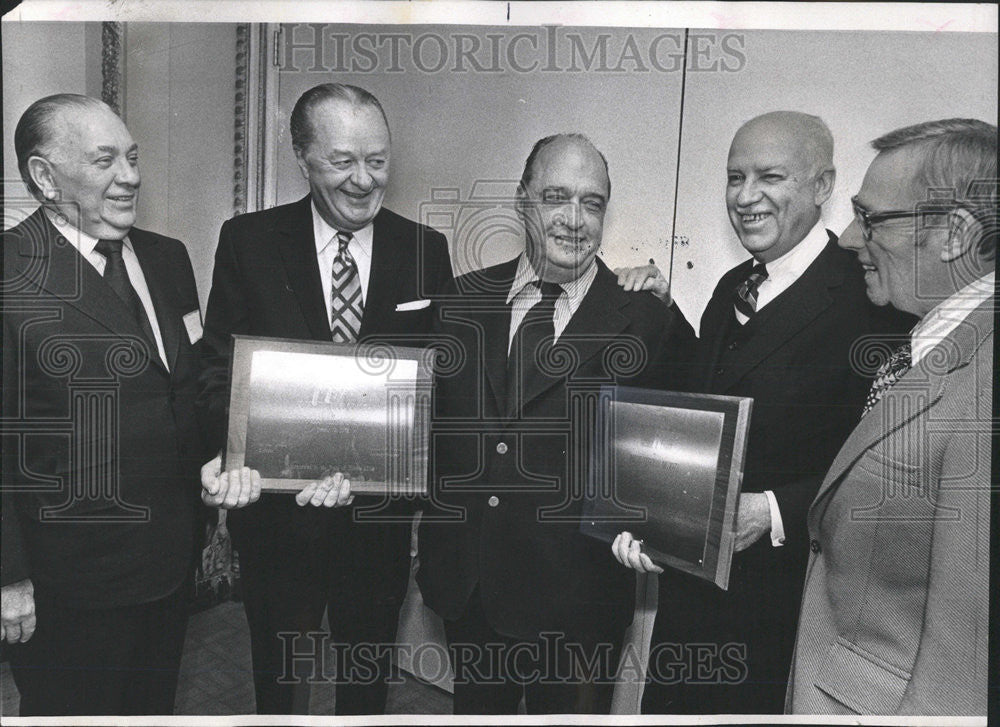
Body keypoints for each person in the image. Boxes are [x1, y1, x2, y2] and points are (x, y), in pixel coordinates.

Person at [612, 111, 914, 713]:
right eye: (734, 177)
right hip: (693, 596)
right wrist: (662, 308)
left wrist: (773, 511)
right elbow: (705, 400)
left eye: (769, 177)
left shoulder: (872, 302)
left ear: (824, 187)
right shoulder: (730, 287)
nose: (745, 197)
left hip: (790, 605)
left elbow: (887, 467)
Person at [416, 133, 696, 714]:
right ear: (523, 202)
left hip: (580, 607)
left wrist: (672, 307)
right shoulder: (461, 299)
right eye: (556, 198)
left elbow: (693, 424)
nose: (574, 220)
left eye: (591, 203)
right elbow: (432, 431)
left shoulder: (644, 317)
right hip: (472, 591)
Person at [196, 83, 452, 715]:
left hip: (377, 529)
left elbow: (443, 384)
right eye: (342, 161)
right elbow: (216, 372)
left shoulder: (425, 249)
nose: (364, 180)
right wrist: (229, 455)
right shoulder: (248, 242)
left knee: (366, 682)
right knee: (277, 681)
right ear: (301, 155)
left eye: (378, 160)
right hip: (278, 528)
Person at [1, 94, 205, 715]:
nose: (132, 176)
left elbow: (187, 389)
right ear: (44, 176)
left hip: (170, 566)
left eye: (134, 157)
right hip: (69, 584)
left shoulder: (168, 257)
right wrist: (9, 577)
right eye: (105, 160)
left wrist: (222, 459)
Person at [786, 118, 995, 716]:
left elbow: (967, 650)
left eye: (871, 218)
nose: (851, 238)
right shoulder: (933, 347)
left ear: (954, 233)